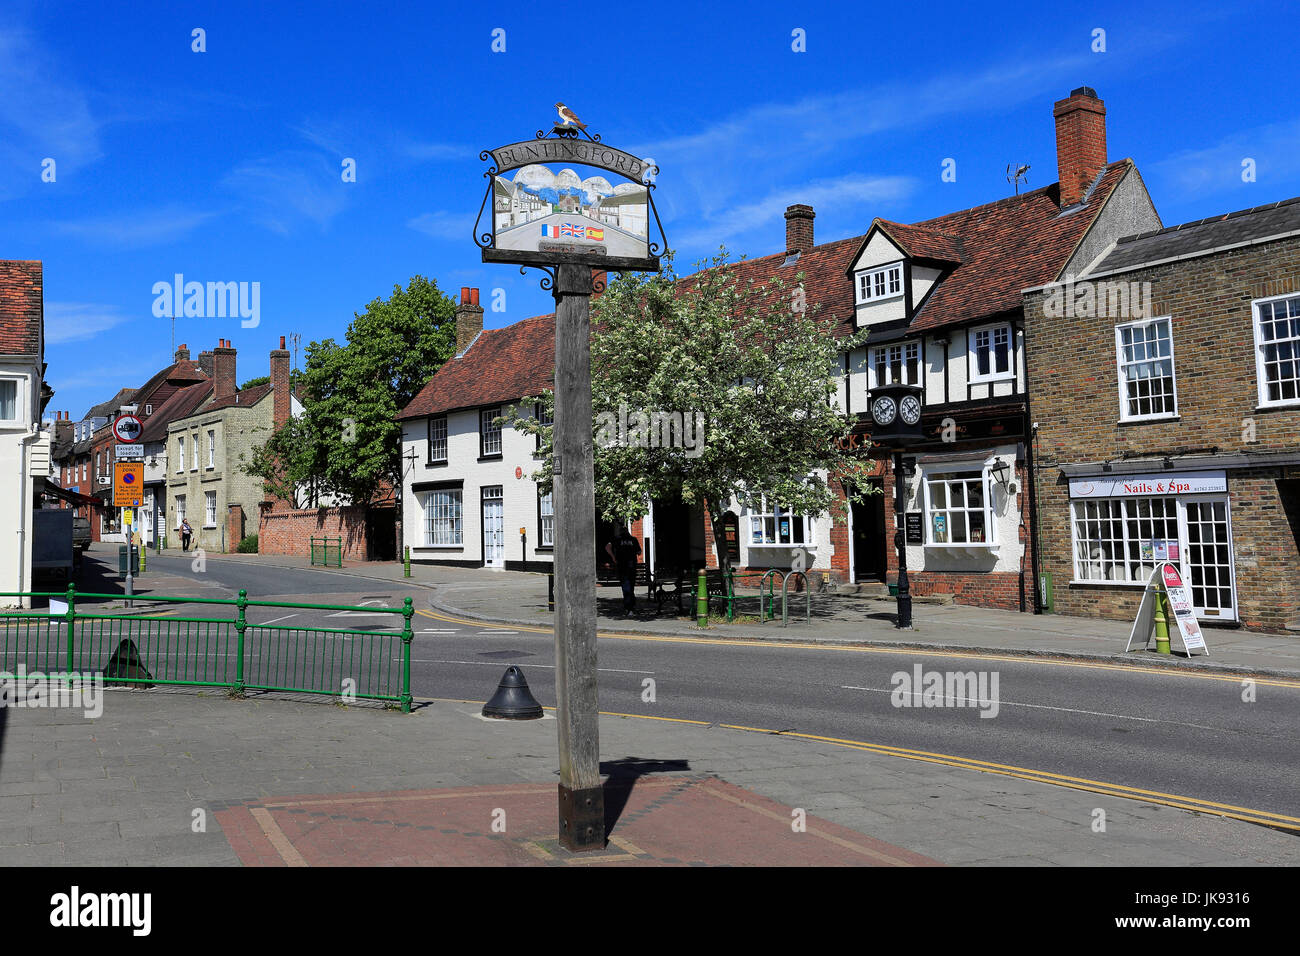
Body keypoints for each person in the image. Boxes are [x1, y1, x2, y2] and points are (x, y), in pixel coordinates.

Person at [605, 525, 642, 616]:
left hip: (622, 564)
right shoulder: (633, 539)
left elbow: (607, 547)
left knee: (625, 586)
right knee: (631, 585)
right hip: (632, 565)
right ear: (628, 531)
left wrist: (613, 557)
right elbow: (639, 552)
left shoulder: (616, 539)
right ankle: (631, 606)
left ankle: (628, 607)